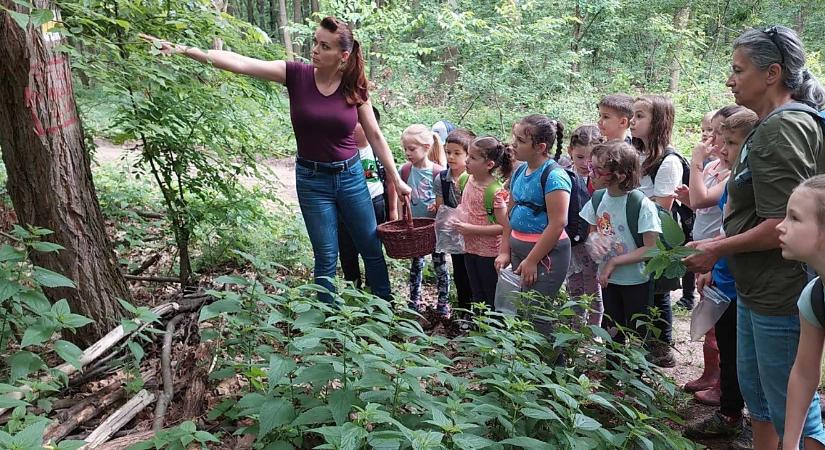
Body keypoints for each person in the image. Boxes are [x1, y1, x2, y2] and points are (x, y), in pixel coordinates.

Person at [140, 17, 411, 302]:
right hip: (312, 180)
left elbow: (376, 136)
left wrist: (396, 179)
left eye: (324, 46)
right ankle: (329, 322)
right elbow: (240, 62)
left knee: (370, 246)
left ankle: (384, 309)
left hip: (351, 177)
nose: (315, 50)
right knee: (326, 255)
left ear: (343, 56)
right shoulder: (296, 75)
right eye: (315, 42)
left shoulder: (353, 87)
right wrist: (185, 50)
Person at [684, 25, 825, 450]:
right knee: (760, 402)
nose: (730, 79)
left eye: (738, 70)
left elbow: (785, 220)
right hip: (755, 286)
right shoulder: (768, 126)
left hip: (778, 291)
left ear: (772, 74)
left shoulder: (783, 129)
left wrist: (717, 248)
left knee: (792, 409)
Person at [684, 109, 759, 449]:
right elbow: (727, 227)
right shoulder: (737, 179)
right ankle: (729, 415)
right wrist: (714, 263)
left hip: (748, 284)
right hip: (725, 277)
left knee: (750, 360)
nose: (723, 148)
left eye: (731, 142)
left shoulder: (754, 180)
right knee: (730, 351)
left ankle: (755, 425)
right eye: (722, 140)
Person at [675, 105, 744, 403]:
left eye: (719, 134)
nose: (711, 138)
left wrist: (696, 161)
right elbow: (701, 205)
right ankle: (711, 376)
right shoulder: (718, 168)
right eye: (712, 132)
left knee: (721, 329)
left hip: (720, 260)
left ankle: (723, 388)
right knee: (711, 324)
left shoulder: (732, 176)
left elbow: (705, 200)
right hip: (709, 254)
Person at [495, 115, 571, 338]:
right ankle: (527, 368)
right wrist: (505, 249)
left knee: (538, 314)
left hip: (546, 256)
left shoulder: (554, 176)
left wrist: (532, 260)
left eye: (520, 140)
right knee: (521, 312)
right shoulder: (519, 170)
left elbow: (558, 224)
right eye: (514, 138)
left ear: (540, 147)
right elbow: (511, 213)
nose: (513, 144)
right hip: (520, 252)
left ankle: (552, 368)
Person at [580, 140, 661, 348]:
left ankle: (635, 375)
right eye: (591, 167)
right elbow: (592, 230)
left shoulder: (641, 205)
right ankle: (611, 371)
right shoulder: (597, 198)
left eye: (598, 170)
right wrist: (594, 242)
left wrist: (614, 261)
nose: (591, 174)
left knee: (636, 331)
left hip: (636, 280)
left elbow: (651, 248)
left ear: (621, 176)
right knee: (611, 327)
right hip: (609, 280)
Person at [631, 94, 682, 367]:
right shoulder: (637, 153)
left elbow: (663, 204)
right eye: (633, 115)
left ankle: (661, 348)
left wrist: (630, 203)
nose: (633, 121)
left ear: (659, 120)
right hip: (635, 231)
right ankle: (641, 341)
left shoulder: (668, 160)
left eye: (640, 116)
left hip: (657, 236)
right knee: (640, 288)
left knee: (658, 292)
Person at [780, 175, 825, 450]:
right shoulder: (815, 296)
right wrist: (790, 444)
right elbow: (805, 372)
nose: (781, 227)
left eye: (794, 218)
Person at [337, 106, 399, 290]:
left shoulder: (378, 151)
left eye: (356, 123)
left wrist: (393, 210)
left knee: (372, 247)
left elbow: (390, 180)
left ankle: (376, 290)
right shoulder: (342, 151)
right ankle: (353, 288)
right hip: (345, 206)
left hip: (375, 203)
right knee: (347, 250)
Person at [453, 136, 513, 308]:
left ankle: (493, 330)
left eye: (473, 158)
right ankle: (478, 328)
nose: (466, 160)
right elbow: (465, 208)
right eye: (468, 156)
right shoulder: (465, 180)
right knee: (476, 291)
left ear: (489, 165)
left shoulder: (494, 192)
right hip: (469, 247)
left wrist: (471, 229)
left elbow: (504, 227)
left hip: (489, 253)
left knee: (490, 293)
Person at [400, 124, 449, 316]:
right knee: (415, 264)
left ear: (427, 147)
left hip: (434, 229)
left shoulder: (438, 172)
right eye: (405, 149)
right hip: (414, 227)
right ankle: (414, 300)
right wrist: (399, 219)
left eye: (412, 149)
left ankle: (443, 303)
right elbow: (400, 198)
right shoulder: (404, 170)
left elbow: (446, 202)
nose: (407, 153)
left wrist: (438, 208)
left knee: (441, 265)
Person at [433, 129, 475, 316]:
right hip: (455, 233)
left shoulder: (475, 178)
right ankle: (463, 309)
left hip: (475, 233)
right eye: (448, 152)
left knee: (476, 271)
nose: (451, 157)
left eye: (457, 153)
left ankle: (479, 312)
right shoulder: (441, 179)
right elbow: (442, 210)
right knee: (459, 271)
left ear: (468, 155)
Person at [566, 125, 605, 326]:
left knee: (593, 286)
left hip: (593, 242)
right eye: (580, 157)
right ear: (570, 152)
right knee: (574, 284)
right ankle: (575, 325)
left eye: (590, 159)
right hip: (572, 241)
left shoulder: (601, 179)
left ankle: (593, 330)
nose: (585, 163)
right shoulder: (565, 175)